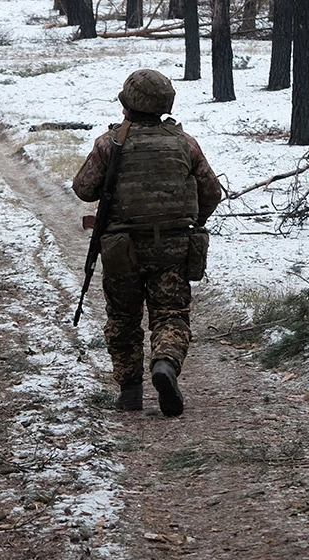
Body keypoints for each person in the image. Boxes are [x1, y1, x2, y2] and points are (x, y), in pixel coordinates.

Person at [72, 69, 222, 417]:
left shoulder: (110, 145)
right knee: (170, 314)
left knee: (123, 318)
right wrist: (192, 224)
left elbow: (83, 188)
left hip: (122, 249)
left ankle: (129, 392)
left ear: (127, 105)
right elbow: (211, 192)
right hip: (173, 249)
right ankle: (165, 364)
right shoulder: (186, 144)